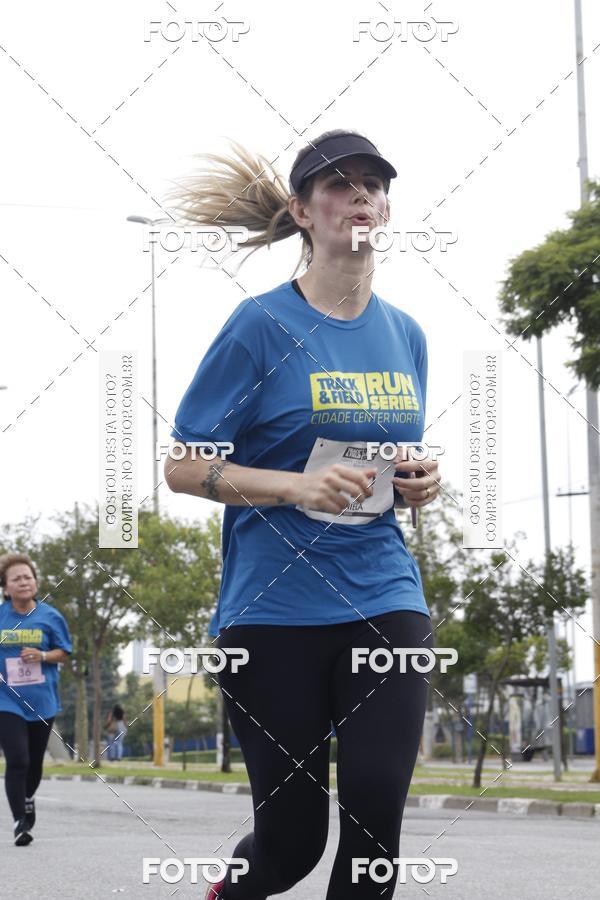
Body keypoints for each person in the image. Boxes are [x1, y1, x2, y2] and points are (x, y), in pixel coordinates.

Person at [165, 129, 442, 899]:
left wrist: (419, 481)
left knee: (376, 816)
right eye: (339, 184)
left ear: (384, 210)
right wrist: (293, 488)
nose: (360, 194)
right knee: (290, 845)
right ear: (302, 211)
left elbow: (390, 460)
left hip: (382, 594)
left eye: (373, 184)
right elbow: (185, 466)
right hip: (273, 611)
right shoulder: (259, 327)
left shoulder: (406, 334)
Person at [0, 553, 72, 846]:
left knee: (35, 764)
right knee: (18, 759)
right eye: (16, 578)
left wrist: (42, 655)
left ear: (36, 582)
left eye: (27, 576)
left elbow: (64, 651)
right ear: (6, 588)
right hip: (6, 700)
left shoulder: (50, 616)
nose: (23, 582)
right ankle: (20, 821)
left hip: (42, 701)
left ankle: (28, 798)